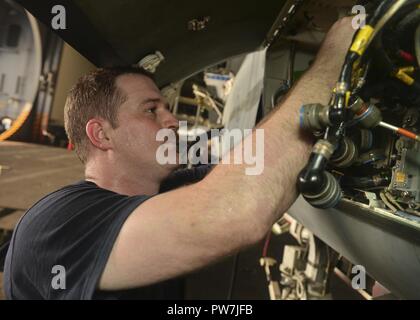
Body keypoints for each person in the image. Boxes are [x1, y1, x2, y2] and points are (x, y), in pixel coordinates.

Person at [3, 17, 356, 299]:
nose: (172, 120)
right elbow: (237, 211)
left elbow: (255, 164)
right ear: (102, 134)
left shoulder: (168, 188)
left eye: (168, 109)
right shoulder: (57, 222)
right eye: (151, 110)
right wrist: (335, 55)